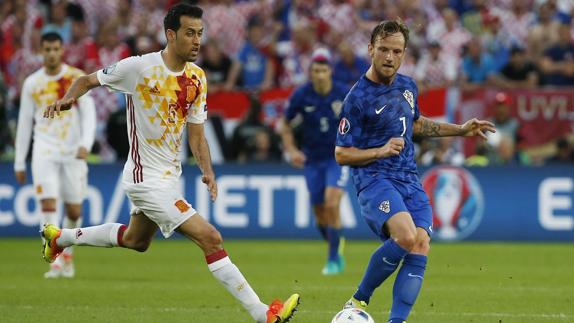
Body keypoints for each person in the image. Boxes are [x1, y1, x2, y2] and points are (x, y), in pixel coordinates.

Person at [41, 4, 299, 323]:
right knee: (211, 237)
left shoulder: (197, 78)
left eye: (200, 34)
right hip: (143, 178)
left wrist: (208, 171)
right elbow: (87, 80)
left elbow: (197, 135)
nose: (197, 41)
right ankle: (262, 314)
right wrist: (69, 98)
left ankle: (60, 238)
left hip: (167, 177)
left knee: (137, 241)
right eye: (190, 33)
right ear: (171, 34)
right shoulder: (138, 68)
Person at [334, 20, 495, 322]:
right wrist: (379, 151)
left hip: (408, 178)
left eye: (396, 51)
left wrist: (460, 130)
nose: (389, 57)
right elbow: (341, 153)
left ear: (405, 53)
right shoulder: (357, 99)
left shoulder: (408, 86)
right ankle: (358, 299)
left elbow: (418, 124)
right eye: (383, 49)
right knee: (406, 236)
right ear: (371, 49)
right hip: (374, 178)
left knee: (420, 243)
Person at [14, 32, 96, 279]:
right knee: (48, 204)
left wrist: (85, 143)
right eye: (47, 49)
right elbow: (24, 123)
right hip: (44, 149)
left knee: (73, 210)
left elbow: (89, 114)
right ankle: (54, 262)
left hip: (73, 151)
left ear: (62, 50)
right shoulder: (32, 83)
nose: (51, 54)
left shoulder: (75, 78)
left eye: (55, 49)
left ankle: (68, 255)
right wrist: (20, 160)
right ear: (41, 51)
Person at [280, 48, 350, 275]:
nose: (319, 74)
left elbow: (359, 122)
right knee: (320, 211)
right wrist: (291, 150)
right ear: (310, 72)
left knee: (331, 203)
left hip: (337, 157)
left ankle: (332, 259)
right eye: (315, 70)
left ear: (330, 71)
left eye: (323, 70)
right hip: (312, 160)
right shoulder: (302, 95)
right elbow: (285, 124)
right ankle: (335, 243)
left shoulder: (343, 94)